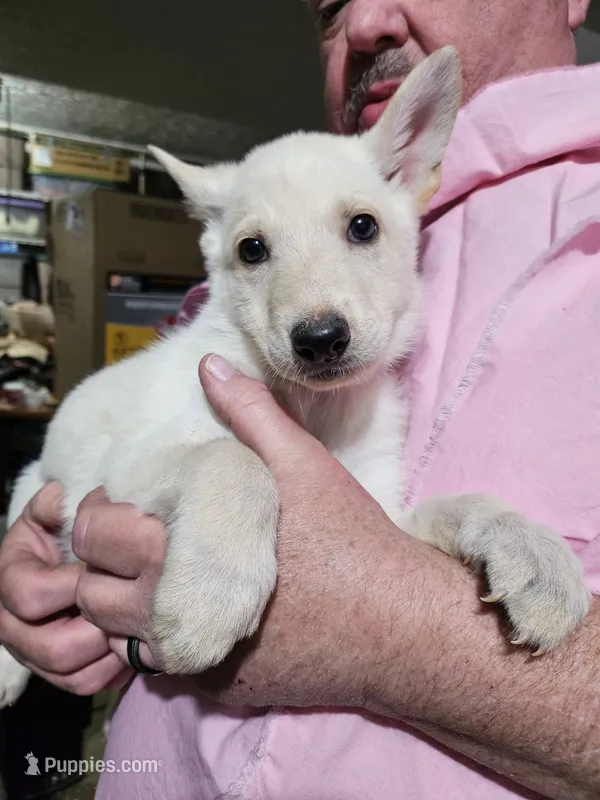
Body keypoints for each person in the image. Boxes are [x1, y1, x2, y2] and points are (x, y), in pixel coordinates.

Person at [1, 0, 600, 797]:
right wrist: (49, 564)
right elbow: (124, 487)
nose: (364, 23)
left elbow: (373, 549)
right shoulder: (239, 312)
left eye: (358, 228)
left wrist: (461, 544)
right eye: (327, 7)